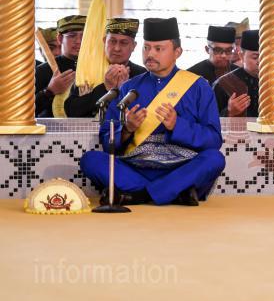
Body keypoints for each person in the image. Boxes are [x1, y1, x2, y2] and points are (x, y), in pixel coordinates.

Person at [79, 17, 225, 206]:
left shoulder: (198, 87)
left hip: (181, 167)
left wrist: (177, 126)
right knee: (91, 160)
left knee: (214, 159)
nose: (150, 54)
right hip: (136, 167)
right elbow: (108, 141)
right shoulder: (129, 88)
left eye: (158, 49)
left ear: (177, 52)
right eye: (146, 47)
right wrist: (127, 129)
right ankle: (173, 192)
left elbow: (213, 139)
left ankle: (139, 195)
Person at [65, 18, 146, 118]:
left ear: (133, 46)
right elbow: (71, 111)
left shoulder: (141, 74)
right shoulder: (88, 71)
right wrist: (105, 88)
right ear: (104, 41)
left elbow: (145, 112)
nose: (117, 48)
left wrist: (124, 89)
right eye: (112, 41)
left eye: (124, 43)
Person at [35, 15, 85, 117]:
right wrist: (49, 91)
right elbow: (21, 112)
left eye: (84, 36)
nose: (78, 41)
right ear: (60, 38)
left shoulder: (98, 68)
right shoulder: (43, 70)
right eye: (72, 36)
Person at [212, 29, 259, 117]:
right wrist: (230, 112)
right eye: (255, 57)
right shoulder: (224, 83)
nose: (262, 62)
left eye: (266, 57)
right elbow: (209, 118)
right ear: (242, 56)